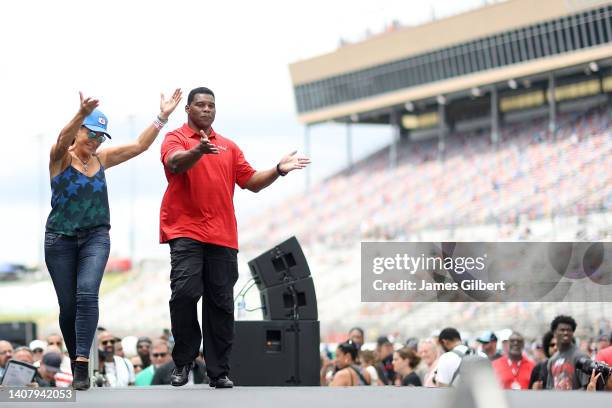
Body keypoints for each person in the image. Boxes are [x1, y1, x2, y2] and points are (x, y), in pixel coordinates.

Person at [159, 86, 310, 389]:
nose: (206, 109)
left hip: (222, 236)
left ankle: (218, 371)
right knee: (185, 293)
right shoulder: (176, 138)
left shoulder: (229, 146)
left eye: (211, 105)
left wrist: (278, 170)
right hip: (186, 231)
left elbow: (251, 182)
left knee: (221, 304)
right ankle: (185, 359)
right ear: (187, 109)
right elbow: (174, 163)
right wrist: (197, 151)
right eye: (200, 105)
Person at [44, 89, 182, 390]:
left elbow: (139, 146)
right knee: (68, 308)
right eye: (90, 134)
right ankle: (76, 353)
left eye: (99, 137)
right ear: (79, 131)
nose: (94, 142)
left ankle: (82, 362)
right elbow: (60, 139)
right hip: (60, 240)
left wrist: (162, 117)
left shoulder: (102, 159)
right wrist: (80, 113)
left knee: (86, 294)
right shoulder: (60, 159)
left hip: (96, 236)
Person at [545, 315, 589, 390]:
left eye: (569, 330)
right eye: (562, 330)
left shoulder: (581, 357)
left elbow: (587, 387)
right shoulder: (552, 360)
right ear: (555, 333)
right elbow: (550, 388)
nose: (566, 332)